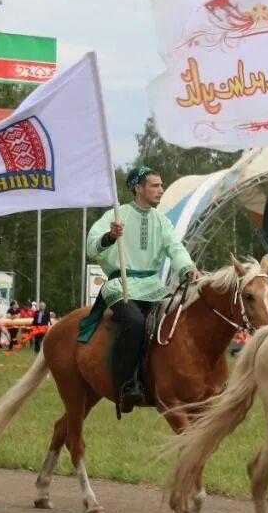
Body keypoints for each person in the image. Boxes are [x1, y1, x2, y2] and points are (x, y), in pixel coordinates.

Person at [85, 166, 200, 411]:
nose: (161, 190)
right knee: (135, 323)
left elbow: (175, 248)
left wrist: (187, 269)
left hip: (153, 286)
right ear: (139, 188)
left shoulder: (162, 220)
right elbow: (92, 247)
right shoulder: (116, 215)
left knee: (179, 317)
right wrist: (110, 236)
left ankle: (176, 377)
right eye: (155, 185)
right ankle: (127, 387)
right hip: (121, 285)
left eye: (161, 185)